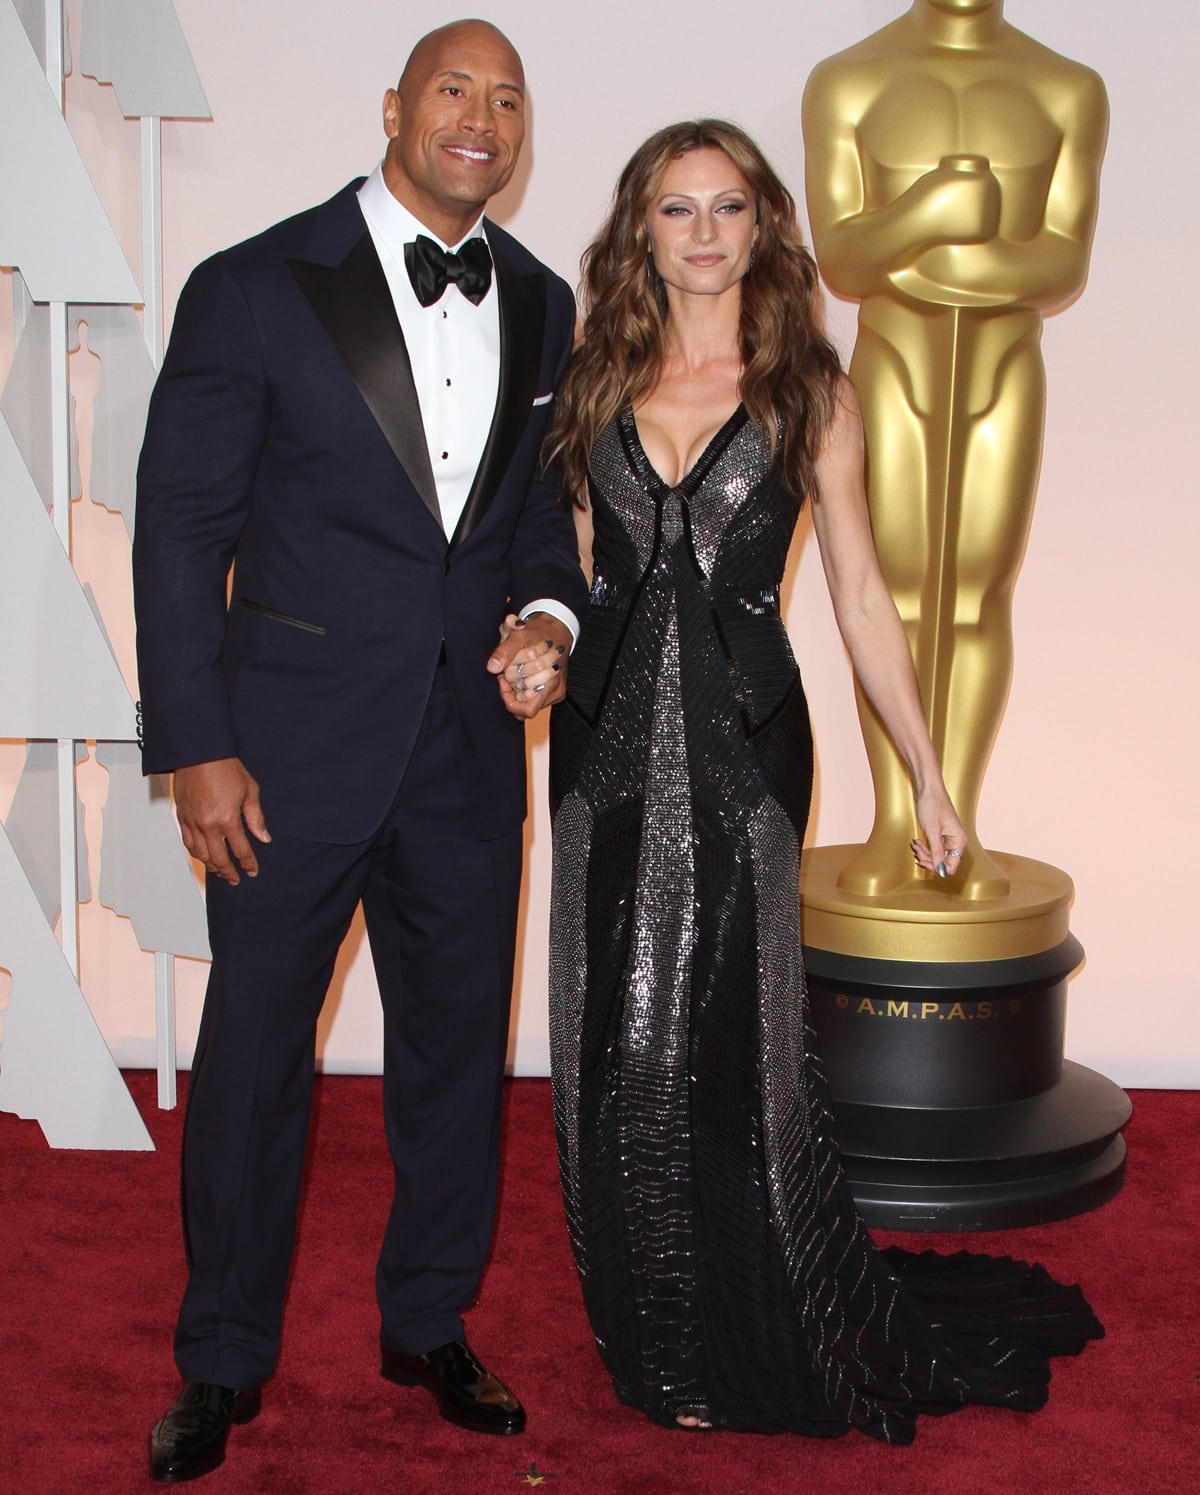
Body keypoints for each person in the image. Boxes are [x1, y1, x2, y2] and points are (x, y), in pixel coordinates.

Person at [537, 119, 1101, 1440]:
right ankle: (648, 1323)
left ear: (762, 227)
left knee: (736, 1044)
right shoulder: (591, 379)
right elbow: (565, 575)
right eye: (676, 210)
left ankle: (742, 1309)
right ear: (643, 232)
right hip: (603, 741)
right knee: (613, 1038)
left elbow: (857, 594)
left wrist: (928, 770)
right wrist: (528, 645)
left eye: (727, 207)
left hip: (744, 740)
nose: (703, 233)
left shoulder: (809, 389)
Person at [133, 20, 586, 1483]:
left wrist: (546, 625)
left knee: (455, 1060)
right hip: (283, 756)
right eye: (455, 90)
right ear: (394, 107)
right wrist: (195, 744)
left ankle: (427, 1317)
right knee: (257, 1060)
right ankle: (221, 1358)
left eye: (507, 99)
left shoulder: (544, 301)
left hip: (465, 754)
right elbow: (179, 533)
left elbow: (532, 529)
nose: (482, 118)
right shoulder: (255, 287)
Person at [802, 0, 1108, 900]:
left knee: (977, 592)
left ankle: (954, 819)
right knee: (885, 588)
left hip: (1007, 366)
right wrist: (936, 208)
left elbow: (1061, 262)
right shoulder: (850, 78)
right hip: (891, 359)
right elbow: (846, 260)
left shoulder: (1066, 88)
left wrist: (926, 252)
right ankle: (895, 821)